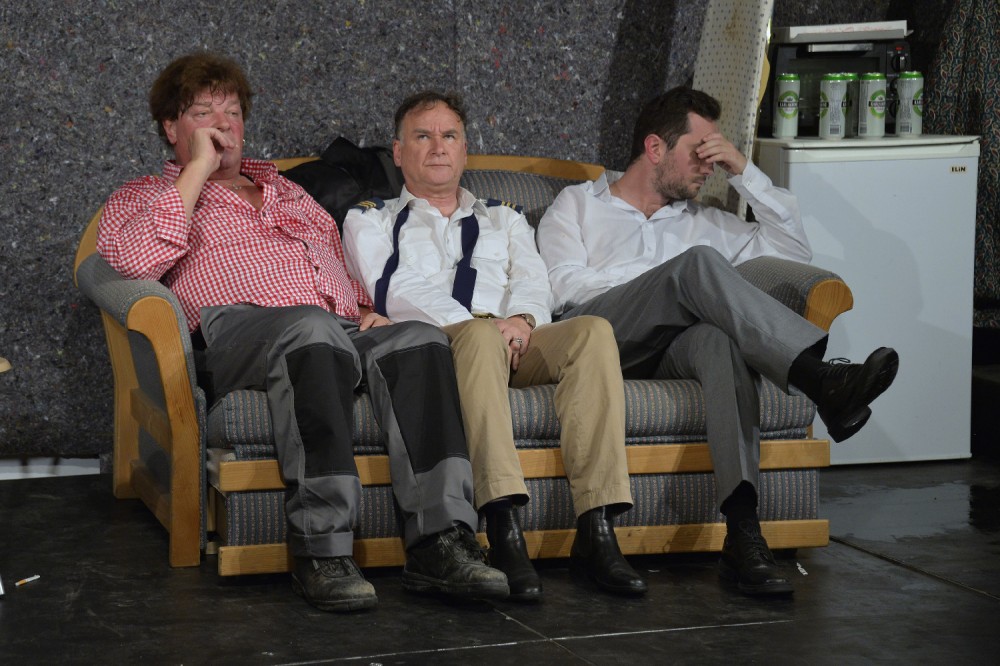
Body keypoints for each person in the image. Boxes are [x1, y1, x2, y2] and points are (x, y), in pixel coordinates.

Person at [96, 53, 509, 612]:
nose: (222, 125)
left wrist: (367, 309)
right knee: (309, 330)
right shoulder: (144, 197)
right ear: (172, 128)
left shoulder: (289, 193)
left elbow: (334, 265)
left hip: (333, 325)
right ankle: (322, 549)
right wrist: (197, 169)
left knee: (420, 338)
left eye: (233, 112)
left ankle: (442, 541)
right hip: (235, 330)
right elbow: (131, 263)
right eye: (203, 113)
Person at [537, 86, 899, 596]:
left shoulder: (705, 222)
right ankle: (820, 379)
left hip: (669, 352)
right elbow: (564, 287)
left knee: (718, 342)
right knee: (694, 267)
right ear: (655, 148)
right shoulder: (578, 204)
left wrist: (743, 171)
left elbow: (793, 250)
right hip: (598, 336)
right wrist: (666, 287)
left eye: (716, 155)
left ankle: (743, 532)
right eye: (700, 152)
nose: (708, 166)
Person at [343, 91, 647, 600]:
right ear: (398, 151)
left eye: (450, 136)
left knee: (592, 331)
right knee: (481, 337)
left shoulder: (504, 216)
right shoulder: (370, 218)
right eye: (423, 136)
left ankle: (597, 528)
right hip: (441, 343)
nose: (438, 147)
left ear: (465, 150)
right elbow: (392, 285)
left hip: (512, 338)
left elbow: (532, 277)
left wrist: (524, 321)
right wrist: (479, 326)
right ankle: (503, 527)